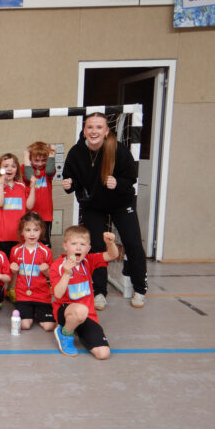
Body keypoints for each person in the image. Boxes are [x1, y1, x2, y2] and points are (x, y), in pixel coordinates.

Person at [62, 112, 147, 310]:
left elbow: (130, 179)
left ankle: (140, 289)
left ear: (106, 131)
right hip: (94, 206)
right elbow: (71, 180)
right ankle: (99, 292)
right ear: (84, 131)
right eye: (90, 127)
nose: (94, 131)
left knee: (133, 243)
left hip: (121, 203)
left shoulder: (118, 149)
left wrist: (118, 183)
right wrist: (69, 184)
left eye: (99, 127)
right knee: (96, 247)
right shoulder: (76, 152)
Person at [50, 225, 118, 360]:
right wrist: (66, 273)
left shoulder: (88, 261)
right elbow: (57, 294)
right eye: (74, 244)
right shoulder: (57, 266)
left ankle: (77, 328)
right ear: (65, 246)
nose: (78, 248)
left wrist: (110, 243)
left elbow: (112, 255)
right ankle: (65, 333)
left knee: (103, 353)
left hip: (87, 315)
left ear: (88, 248)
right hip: (66, 311)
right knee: (80, 310)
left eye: (82, 244)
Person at [0, 153, 36, 303]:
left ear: (17, 169)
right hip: (2, 235)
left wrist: (33, 187)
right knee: (2, 265)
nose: (10, 169)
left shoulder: (22, 186)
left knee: (16, 265)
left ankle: (12, 289)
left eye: (13, 166)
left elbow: (29, 206)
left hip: (19, 235)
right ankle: (0, 290)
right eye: (6, 166)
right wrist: (0, 183)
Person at [9, 212, 55, 332]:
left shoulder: (46, 251)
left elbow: (52, 276)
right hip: (23, 295)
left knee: (49, 326)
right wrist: (12, 270)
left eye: (36, 230)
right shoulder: (15, 250)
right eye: (28, 230)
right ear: (22, 232)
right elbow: (11, 275)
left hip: (42, 296)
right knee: (25, 325)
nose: (32, 233)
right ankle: (31, 313)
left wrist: (46, 271)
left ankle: (36, 312)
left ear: (41, 232)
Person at [23, 142, 56, 247]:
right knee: (29, 244)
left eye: (43, 160)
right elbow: (29, 177)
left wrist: (52, 153)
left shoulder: (47, 170)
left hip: (45, 216)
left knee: (45, 245)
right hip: (29, 215)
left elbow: (50, 171)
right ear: (30, 159)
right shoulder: (25, 168)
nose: (40, 163)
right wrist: (26, 156)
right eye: (36, 160)